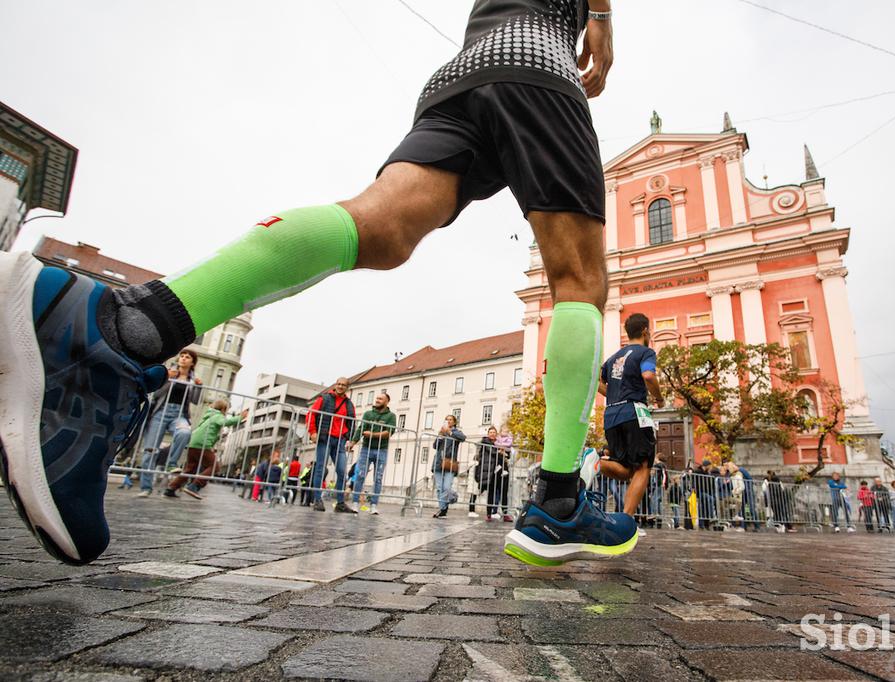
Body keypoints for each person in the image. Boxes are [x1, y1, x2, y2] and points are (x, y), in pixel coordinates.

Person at [0, 0, 627, 567]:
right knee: (579, 283)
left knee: (379, 227)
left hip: (462, 72)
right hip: (539, 62)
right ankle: (561, 500)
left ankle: (116, 323)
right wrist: (600, 22)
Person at [581, 314, 665, 522]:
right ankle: (627, 521)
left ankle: (595, 462)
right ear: (645, 330)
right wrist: (660, 398)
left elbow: (598, 384)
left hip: (611, 416)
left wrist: (613, 395)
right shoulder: (646, 352)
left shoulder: (612, 359)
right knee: (643, 466)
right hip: (635, 413)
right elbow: (648, 375)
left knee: (626, 470)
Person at [136, 349, 203, 497]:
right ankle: (146, 487)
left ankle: (172, 463)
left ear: (192, 362)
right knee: (150, 450)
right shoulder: (169, 373)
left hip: (179, 415)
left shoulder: (193, 379)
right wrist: (165, 379)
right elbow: (156, 394)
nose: (183, 359)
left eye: (187, 357)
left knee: (184, 432)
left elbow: (196, 400)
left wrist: (199, 386)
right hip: (161, 412)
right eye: (182, 356)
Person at [164, 399, 248, 499]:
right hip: (202, 444)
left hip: (193, 444)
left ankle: (171, 488)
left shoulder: (209, 416)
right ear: (223, 409)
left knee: (190, 469)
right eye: (227, 410)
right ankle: (194, 486)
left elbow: (208, 432)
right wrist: (240, 417)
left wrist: (217, 438)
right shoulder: (217, 416)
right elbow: (226, 422)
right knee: (214, 467)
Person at [306, 377, 356, 512]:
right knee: (320, 469)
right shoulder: (324, 398)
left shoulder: (349, 404)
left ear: (347, 388)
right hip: (325, 437)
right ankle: (317, 500)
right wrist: (312, 432)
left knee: (342, 471)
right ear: (335, 385)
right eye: (338, 384)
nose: (340, 386)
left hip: (340, 440)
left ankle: (340, 503)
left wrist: (350, 438)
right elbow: (311, 414)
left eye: (343, 385)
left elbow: (352, 422)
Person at [349, 392, 397, 515]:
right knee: (360, 475)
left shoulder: (391, 416)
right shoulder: (368, 414)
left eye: (380, 399)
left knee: (378, 478)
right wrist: (353, 442)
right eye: (377, 398)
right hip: (366, 448)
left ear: (387, 402)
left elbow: (388, 432)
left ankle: (374, 505)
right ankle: (355, 503)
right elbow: (361, 428)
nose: (377, 400)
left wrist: (372, 434)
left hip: (382, 449)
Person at [432, 415, 466, 518]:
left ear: (454, 422)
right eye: (446, 420)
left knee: (447, 487)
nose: (448, 421)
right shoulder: (441, 432)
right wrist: (440, 436)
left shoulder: (456, 432)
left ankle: (451, 500)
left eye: (450, 420)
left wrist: (449, 432)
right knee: (439, 487)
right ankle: (443, 510)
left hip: (450, 463)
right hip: (438, 462)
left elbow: (463, 438)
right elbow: (435, 446)